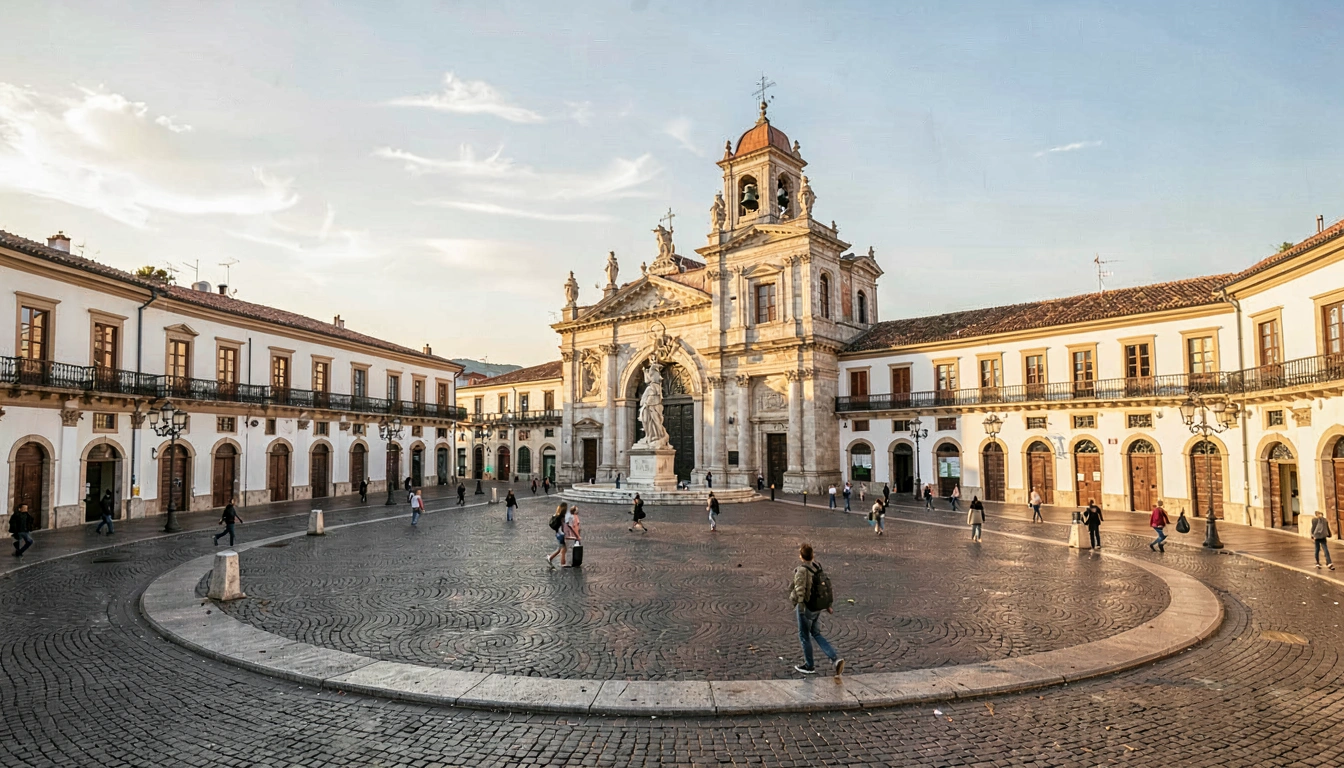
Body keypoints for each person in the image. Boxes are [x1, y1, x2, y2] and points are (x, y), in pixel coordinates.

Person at [789, 542, 845, 677]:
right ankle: (835, 659)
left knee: (804, 636)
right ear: (812, 555)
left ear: (801, 556)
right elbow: (824, 588)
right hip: (817, 608)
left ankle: (809, 665)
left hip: (807, 608)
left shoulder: (802, 570)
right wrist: (828, 605)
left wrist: (800, 606)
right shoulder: (817, 567)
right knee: (816, 633)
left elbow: (800, 590)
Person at [546, 503, 569, 567]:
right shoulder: (562, 517)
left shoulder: (556, 515)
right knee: (563, 550)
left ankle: (550, 558)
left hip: (558, 534)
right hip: (561, 534)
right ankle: (563, 564)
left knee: (560, 549)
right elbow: (564, 526)